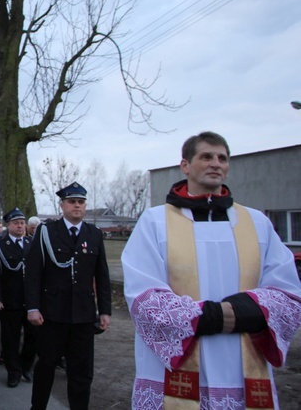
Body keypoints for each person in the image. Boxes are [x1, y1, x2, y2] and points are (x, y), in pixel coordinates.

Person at [122, 132, 301, 409]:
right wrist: (210, 317)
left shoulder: (257, 223)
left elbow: (287, 293)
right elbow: (142, 293)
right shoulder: (155, 222)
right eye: (206, 156)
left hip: (242, 364)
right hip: (176, 368)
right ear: (185, 165)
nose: (216, 163)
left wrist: (246, 310)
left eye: (222, 158)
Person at [25, 182, 112, 409]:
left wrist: (104, 310)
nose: (77, 206)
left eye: (81, 202)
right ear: (62, 205)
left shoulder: (93, 234)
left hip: (83, 316)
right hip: (52, 313)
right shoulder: (47, 232)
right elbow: (33, 272)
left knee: (82, 372)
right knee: (46, 366)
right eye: (72, 202)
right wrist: (32, 307)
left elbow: (102, 275)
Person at [0, 207, 36, 388]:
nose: (20, 226)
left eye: (22, 223)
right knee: (11, 339)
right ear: (8, 225)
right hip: (9, 300)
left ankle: (26, 366)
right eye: (16, 223)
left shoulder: (31, 243)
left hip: (31, 300)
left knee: (33, 336)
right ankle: (14, 372)